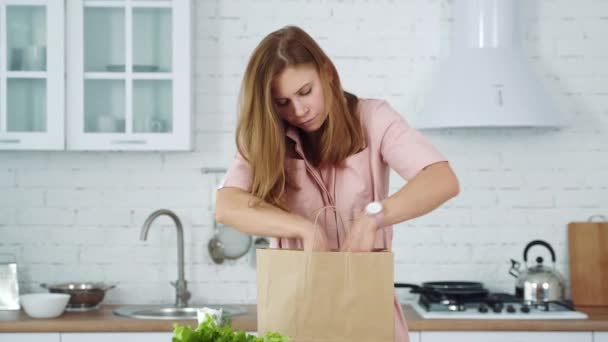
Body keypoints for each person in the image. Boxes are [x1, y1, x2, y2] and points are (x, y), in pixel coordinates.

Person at [215, 26, 459, 342]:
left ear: (327, 72)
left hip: (368, 306)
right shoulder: (264, 136)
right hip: (296, 310)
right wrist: (304, 229)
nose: (298, 111)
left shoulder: (374, 118)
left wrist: (374, 217)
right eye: (282, 102)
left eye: (305, 92)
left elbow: (441, 179)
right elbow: (227, 206)